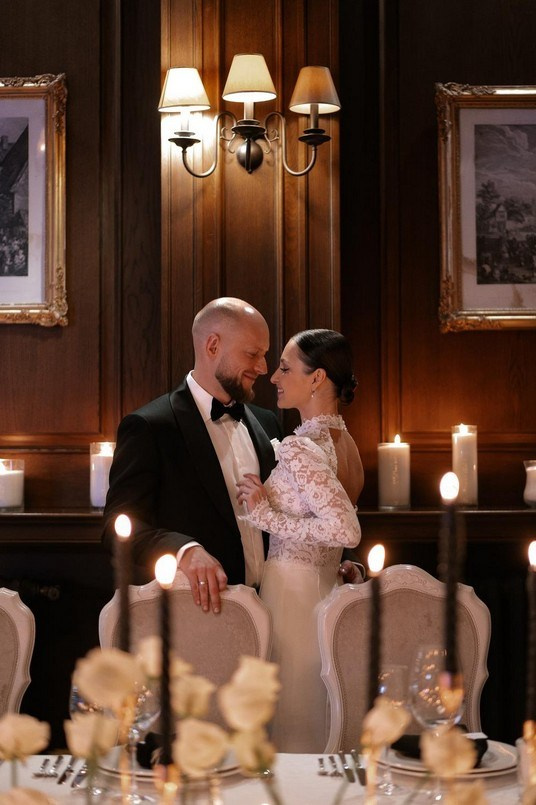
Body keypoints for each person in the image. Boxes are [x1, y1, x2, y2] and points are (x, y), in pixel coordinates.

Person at [102, 297, 282, 613]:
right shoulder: (150, 427)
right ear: (212, 346)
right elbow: (118, 528)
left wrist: (338, 561)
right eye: (253, 354)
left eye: (265, 356)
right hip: (202, 618)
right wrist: (183, 550)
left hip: (277, 610)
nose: (263, 368)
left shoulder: (266, 422)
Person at [237, 329, 364, 753]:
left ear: (317, 379)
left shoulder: (300, 448)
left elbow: (345, 530)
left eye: (286, 368)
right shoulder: (346, 445)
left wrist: (265, 514)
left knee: (293, 724)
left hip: (294, 598)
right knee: (313, 713)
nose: (274, 376)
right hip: (323, 589)